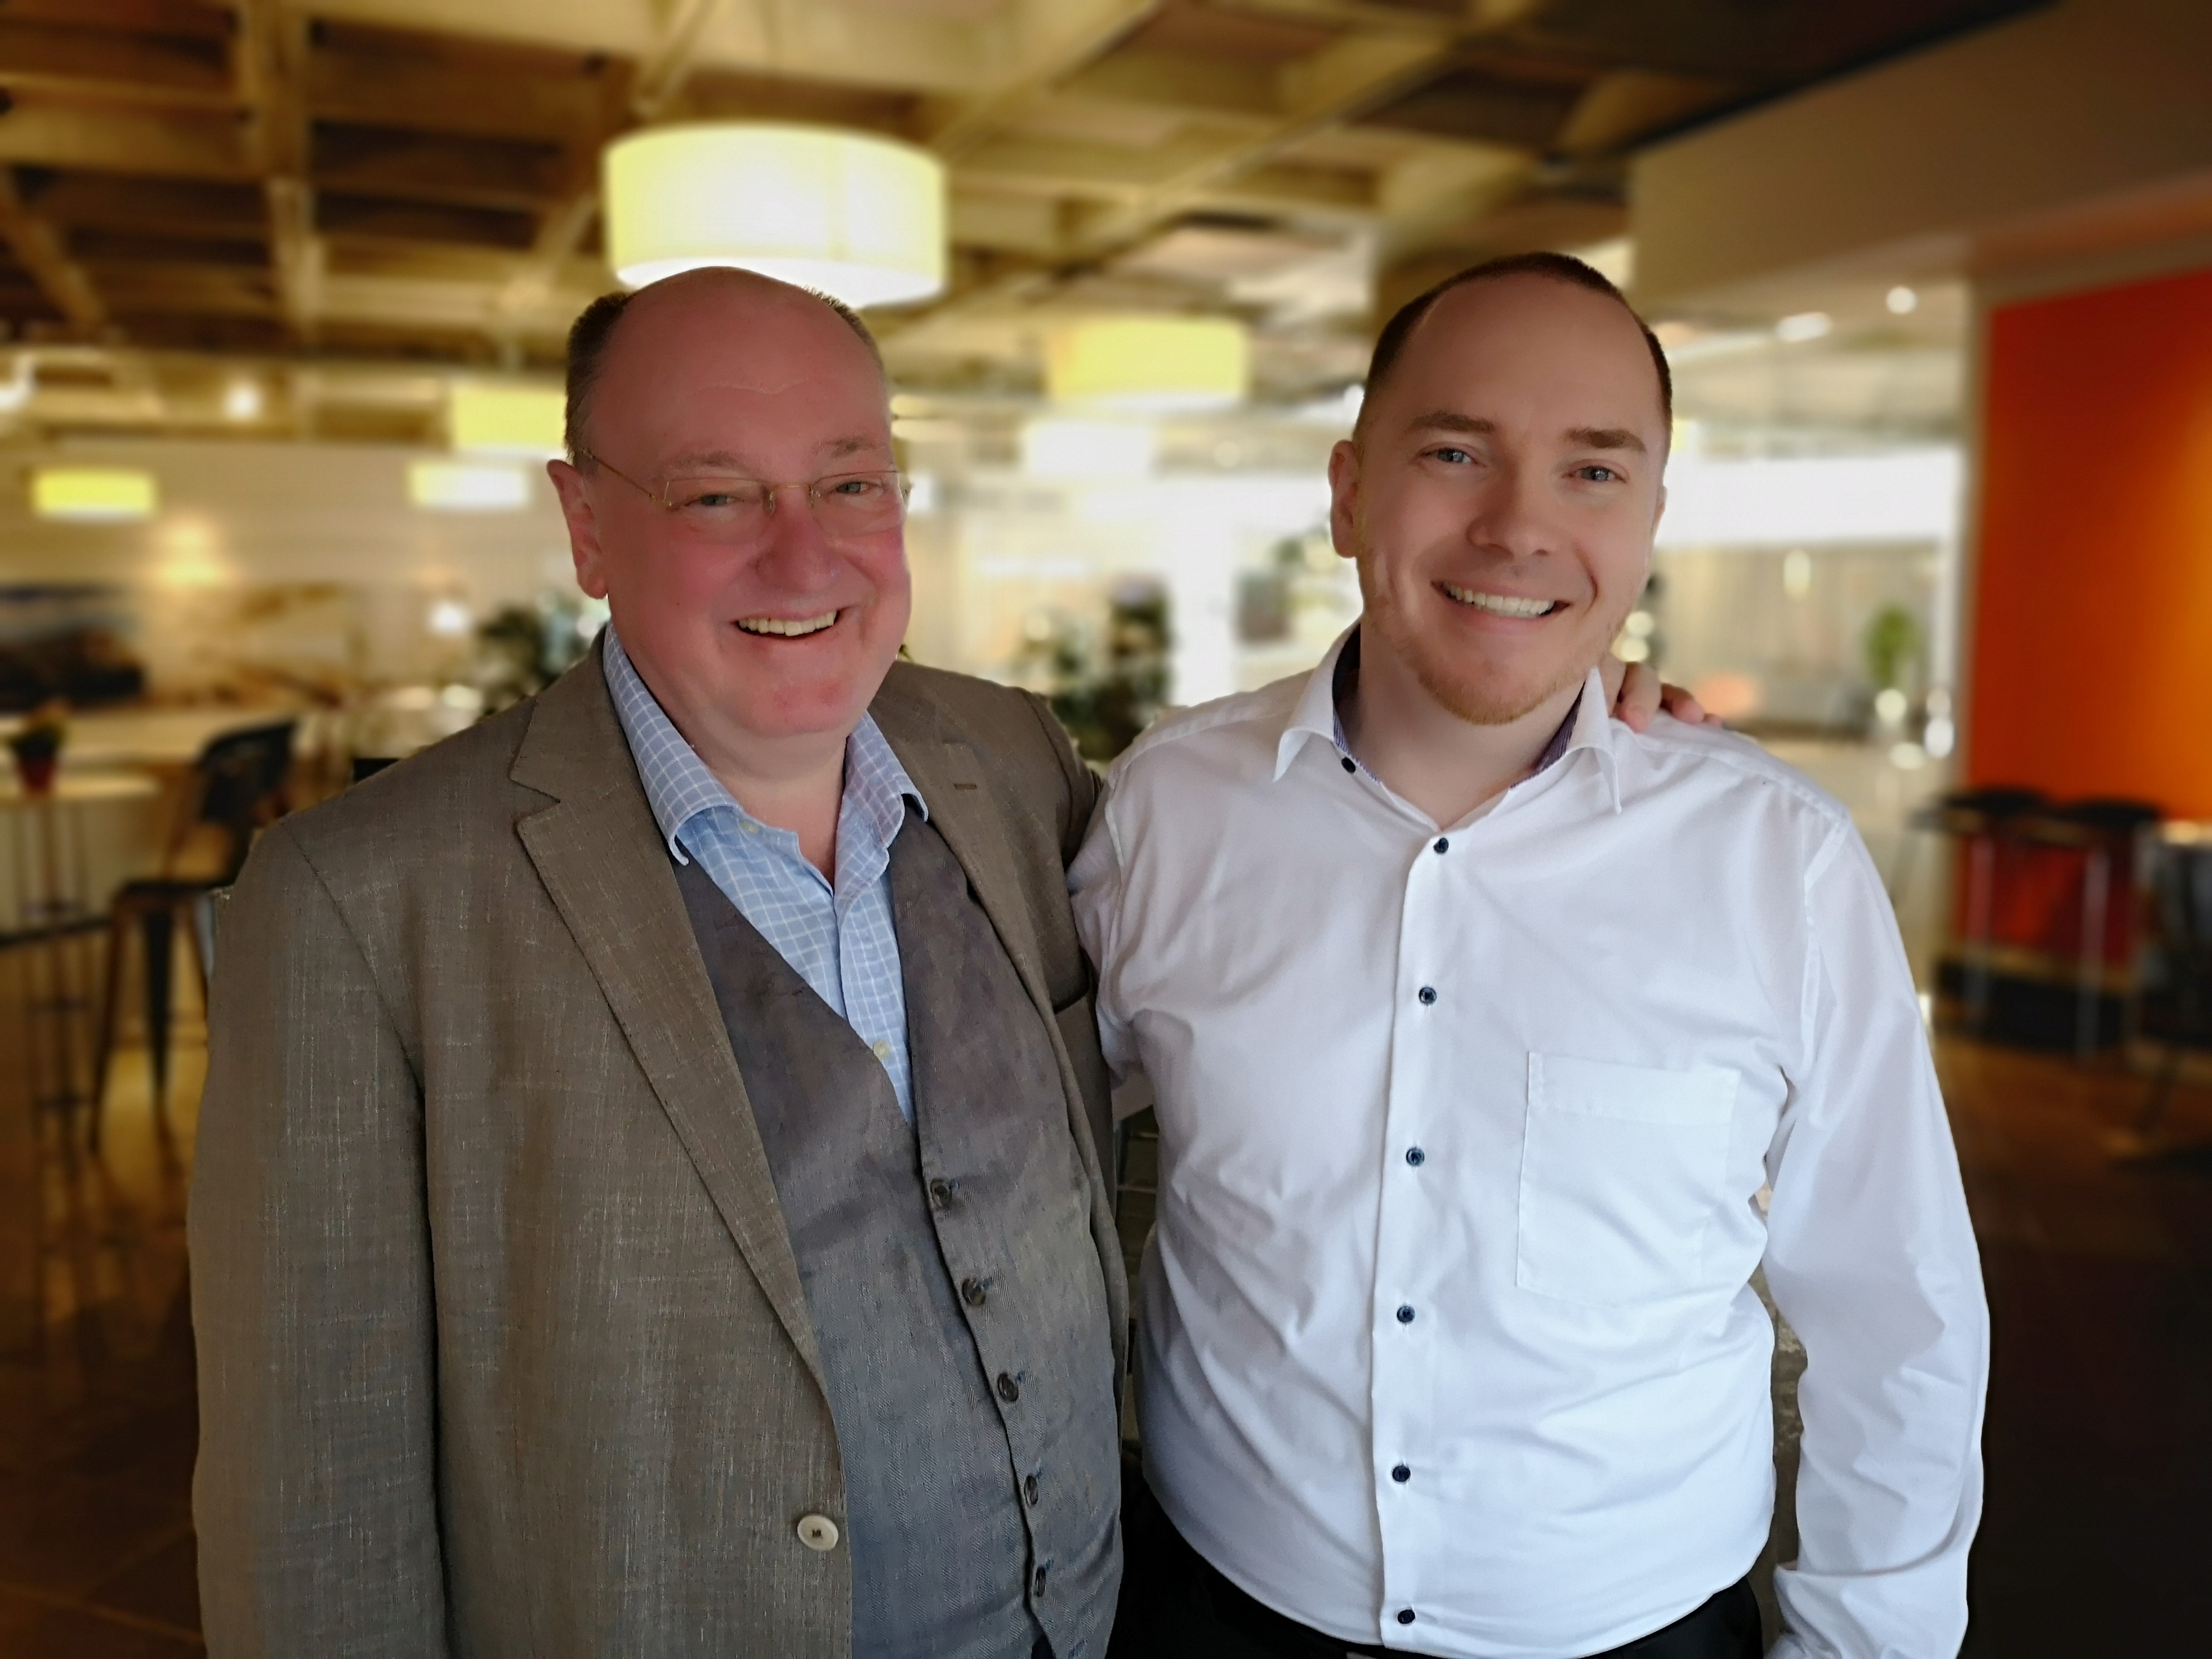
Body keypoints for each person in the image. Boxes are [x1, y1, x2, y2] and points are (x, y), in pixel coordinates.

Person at [188, 266, 1685, 1657]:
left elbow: (1279, 929)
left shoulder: (1013, 763)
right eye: (716, 494)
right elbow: (315, 1499)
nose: (804, 554)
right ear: (586, 525)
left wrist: (1552, 712)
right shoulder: (357, 903)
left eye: (851, 483)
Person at [1076, 254, 1988, 1659]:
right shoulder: (1170, 807)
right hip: (1213, 1609)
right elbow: (1022, 1148)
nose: (1517, 528)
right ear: (1348, 493)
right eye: (1455, 453)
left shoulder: (1778, 860)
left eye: (1592, 471)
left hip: (1641, 1629)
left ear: (1649, 520)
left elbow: (1898, 1312)